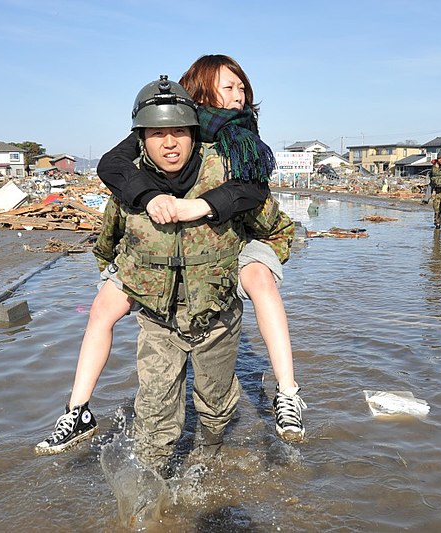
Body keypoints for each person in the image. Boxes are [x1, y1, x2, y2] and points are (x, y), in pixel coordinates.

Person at [36, 77, 295, 466]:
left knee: (217, 409)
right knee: (154, 418)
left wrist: (255, 270)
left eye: (178, 132)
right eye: (158, 133)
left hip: (217, 319)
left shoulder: (229, 175)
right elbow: (107, 245)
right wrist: (124, 279)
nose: (169, 143)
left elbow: (279, 229)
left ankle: (210, 459)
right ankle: (150, 493)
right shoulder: (128, 187)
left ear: (195, 134)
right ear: (142, 138)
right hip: (158, 322)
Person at [95, 55, 305, 441]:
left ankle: (287, 392)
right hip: (182, 249)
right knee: (105, 308)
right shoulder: (173, 118)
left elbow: (254, 189)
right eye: (229, 87)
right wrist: (149, 196)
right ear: (203, 87)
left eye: (243, 87)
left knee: (259, 281)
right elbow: (112, 164)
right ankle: (78, 410)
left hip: (242, 233)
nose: (239, 96)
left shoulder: (241, 134)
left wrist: (202, 205)